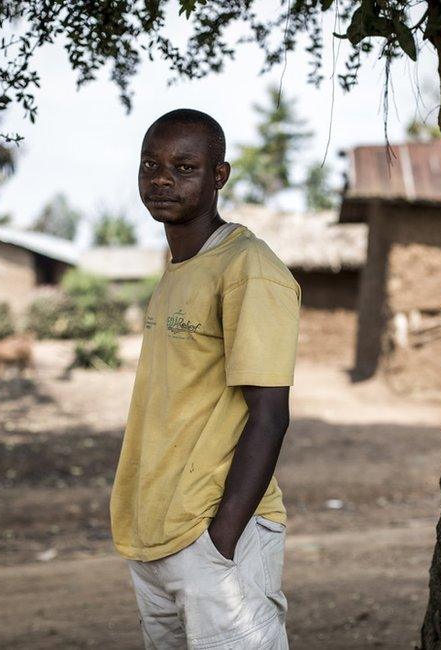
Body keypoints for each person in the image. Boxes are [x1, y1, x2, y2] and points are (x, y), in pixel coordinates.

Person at [110, 108, 300, 649]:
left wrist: (220, 542)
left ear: (219, 176)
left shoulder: (249, 269)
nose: (161, 178)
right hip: (157, 536)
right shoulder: (176, 269)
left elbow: (270, 415)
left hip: (214, 535)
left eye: (184, 166)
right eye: (151, 165)